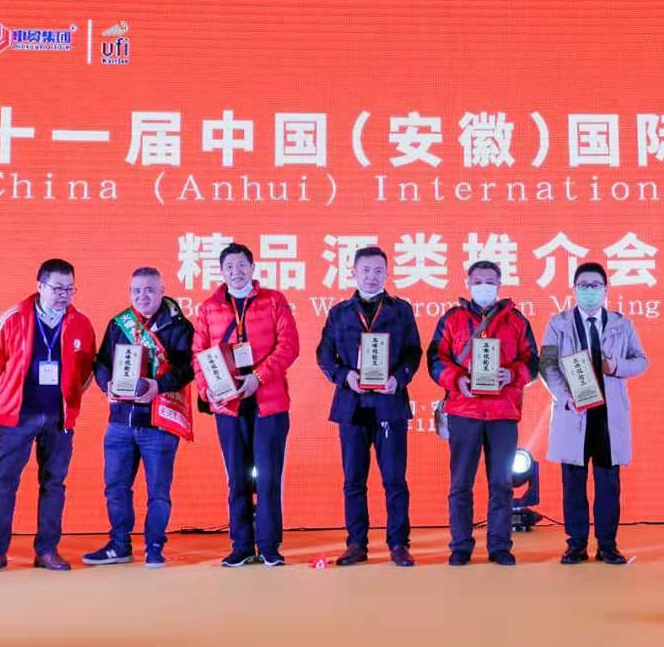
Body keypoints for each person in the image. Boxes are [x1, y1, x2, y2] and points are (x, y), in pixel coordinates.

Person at [0, 259, 97, 574]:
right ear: (40, 286)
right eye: (57, 288)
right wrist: (7, 400)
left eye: (70, 289)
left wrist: (70, 402)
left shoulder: (81, 323)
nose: (64, 295)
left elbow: (87, 370)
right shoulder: (13, 318)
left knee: (54, 483)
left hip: (58, 417)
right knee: (4, 482)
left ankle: (47, 551)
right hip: (19, 416)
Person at [192, 242, 300, 567]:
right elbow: (198, 354)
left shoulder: (274, 301)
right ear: (221, 272)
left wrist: (258, 377)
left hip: (269, 402)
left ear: (252, 268)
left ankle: (268, 546)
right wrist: (206, 390)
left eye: (242, 265)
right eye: (229, 267)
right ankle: (240, 545)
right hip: (229, 406)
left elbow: (289, 346)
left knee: (267, 477)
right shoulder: (209, 308)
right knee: (237, 477)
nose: (236, 272)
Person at [315, 246, 423, 567]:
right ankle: (356, 543)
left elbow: (413, 352)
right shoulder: (339, 312)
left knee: (395, 480)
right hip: (352, 406)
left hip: (390, 404)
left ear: (387, 274)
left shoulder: (400, 310)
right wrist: (344, 376)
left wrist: (399, 378)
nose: (372, 276)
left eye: (378, 271)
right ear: (353, 273)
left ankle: (399, 544)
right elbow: (324, 355)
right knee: (353, 481)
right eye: (366, 270)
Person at [426, 260, 539, 566]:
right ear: (468, 283)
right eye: (478, 281)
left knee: (501, 484)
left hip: (503, 413)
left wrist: (512, 374)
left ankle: (499, 546)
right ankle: (460, 546)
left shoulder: (516, 320)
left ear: (500, 284)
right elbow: (435, 359)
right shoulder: (452, 319)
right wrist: (456, 380)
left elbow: (533, 362)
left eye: (490, 281)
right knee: (460, 485)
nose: (484, 286)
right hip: (464, 411)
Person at [539, 261, 649, 565]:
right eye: (583, 286)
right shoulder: (558, 323)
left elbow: (641, 361)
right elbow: (546, 363)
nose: (589, 290)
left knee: (608, 484)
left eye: (595, 285)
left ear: (605, 290)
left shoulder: (621, 324)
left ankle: (607, 545)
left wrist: (616, 367)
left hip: (608, 417)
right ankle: (575, 545)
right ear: (574, 289)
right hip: (574, 413)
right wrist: (565, 397)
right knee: (573, 483)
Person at [84, 266, 195, 567]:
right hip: (120, 421)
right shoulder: (119, 323)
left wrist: (160, 385)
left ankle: (154, 546)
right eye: (136, 291)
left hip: (158, 422)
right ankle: (119, 545)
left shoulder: (179, 327)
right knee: (115, 488)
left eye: (149, 290)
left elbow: (189, 368)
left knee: (158, 491)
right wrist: (106, 385)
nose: (142, 296)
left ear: (162, 291)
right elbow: (101, 361)